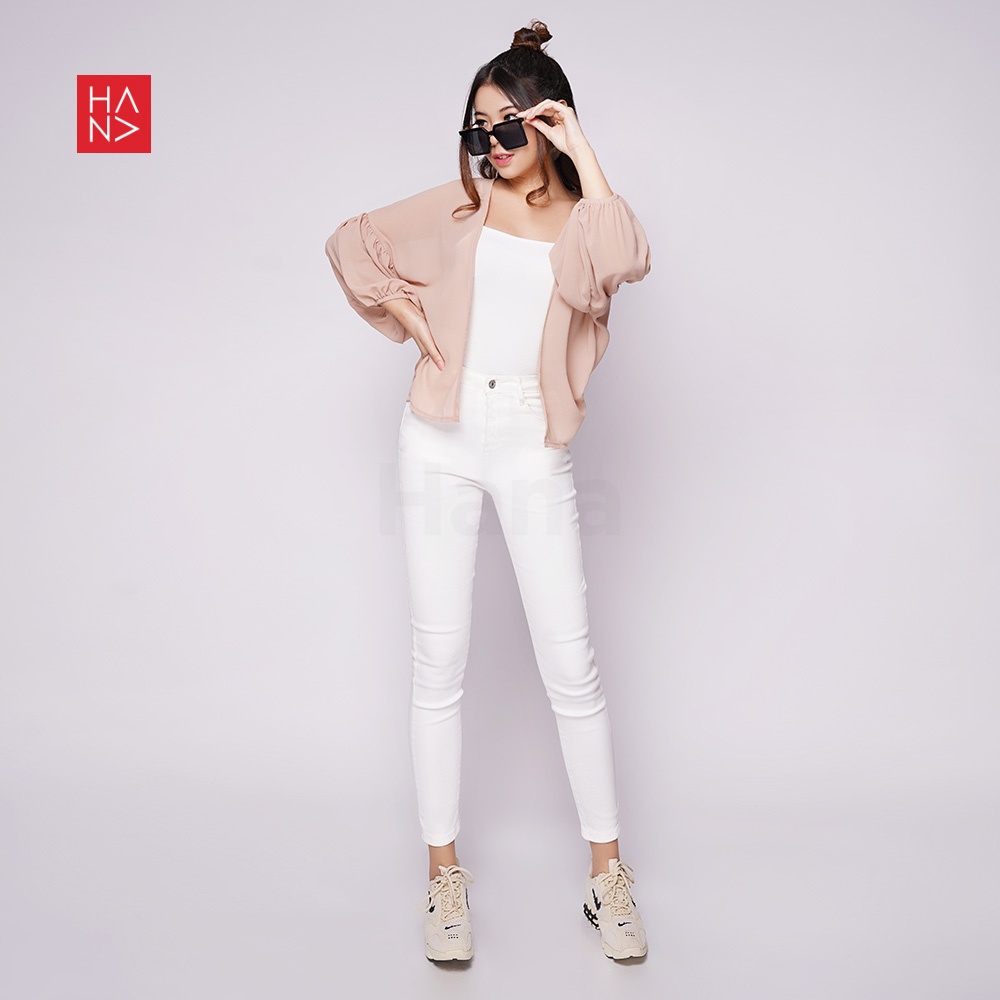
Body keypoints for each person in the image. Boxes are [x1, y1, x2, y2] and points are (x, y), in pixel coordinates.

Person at [325, 19, 651, 962]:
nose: (492, 144)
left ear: (550, 123)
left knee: (570, 664)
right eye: (478, 128)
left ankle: (607, 876)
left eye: (510, 126)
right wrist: (406, 314)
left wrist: (582, 146)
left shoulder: (584, 224)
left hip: (529, 445)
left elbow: (626, 256)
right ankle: (443, 879)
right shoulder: (463, 207)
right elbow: (351, 242)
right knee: (439, 660)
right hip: (438, 439)